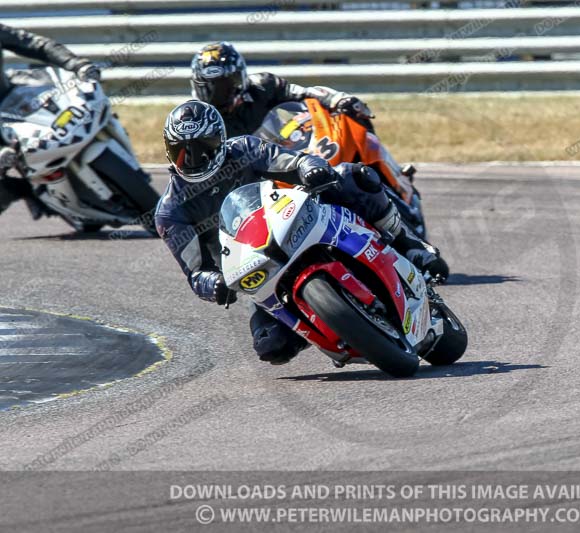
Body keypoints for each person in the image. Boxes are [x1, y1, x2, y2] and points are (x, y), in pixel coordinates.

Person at [155, 100, 446, 365]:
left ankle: (409, 244)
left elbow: (290, 161)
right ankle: (336, 328)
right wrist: (213, 284)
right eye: (180, 152)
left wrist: (310, 168)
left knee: (351, 176)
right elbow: (195, 272)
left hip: (290, 220)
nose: (193, 159)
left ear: (220, 140)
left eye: (202, 147)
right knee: (272, 347)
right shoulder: (170, 212)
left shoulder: (243, 149)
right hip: (258, 266)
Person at [0, 23, 101, 215]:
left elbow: (36, 44)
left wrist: (76, 64)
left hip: (15, 94)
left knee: (86, 98)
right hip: (2, 129)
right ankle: (26, 191)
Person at [189, 41, 374, 138]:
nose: (220, 93)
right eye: (211, 86)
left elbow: (305, 93)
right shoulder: (194, 120)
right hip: (244, 190)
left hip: (289, 158)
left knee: (351, 115)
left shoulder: (263, 85)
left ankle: (391, 178)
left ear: (240, 78)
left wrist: (338, 100)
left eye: (226, 84)